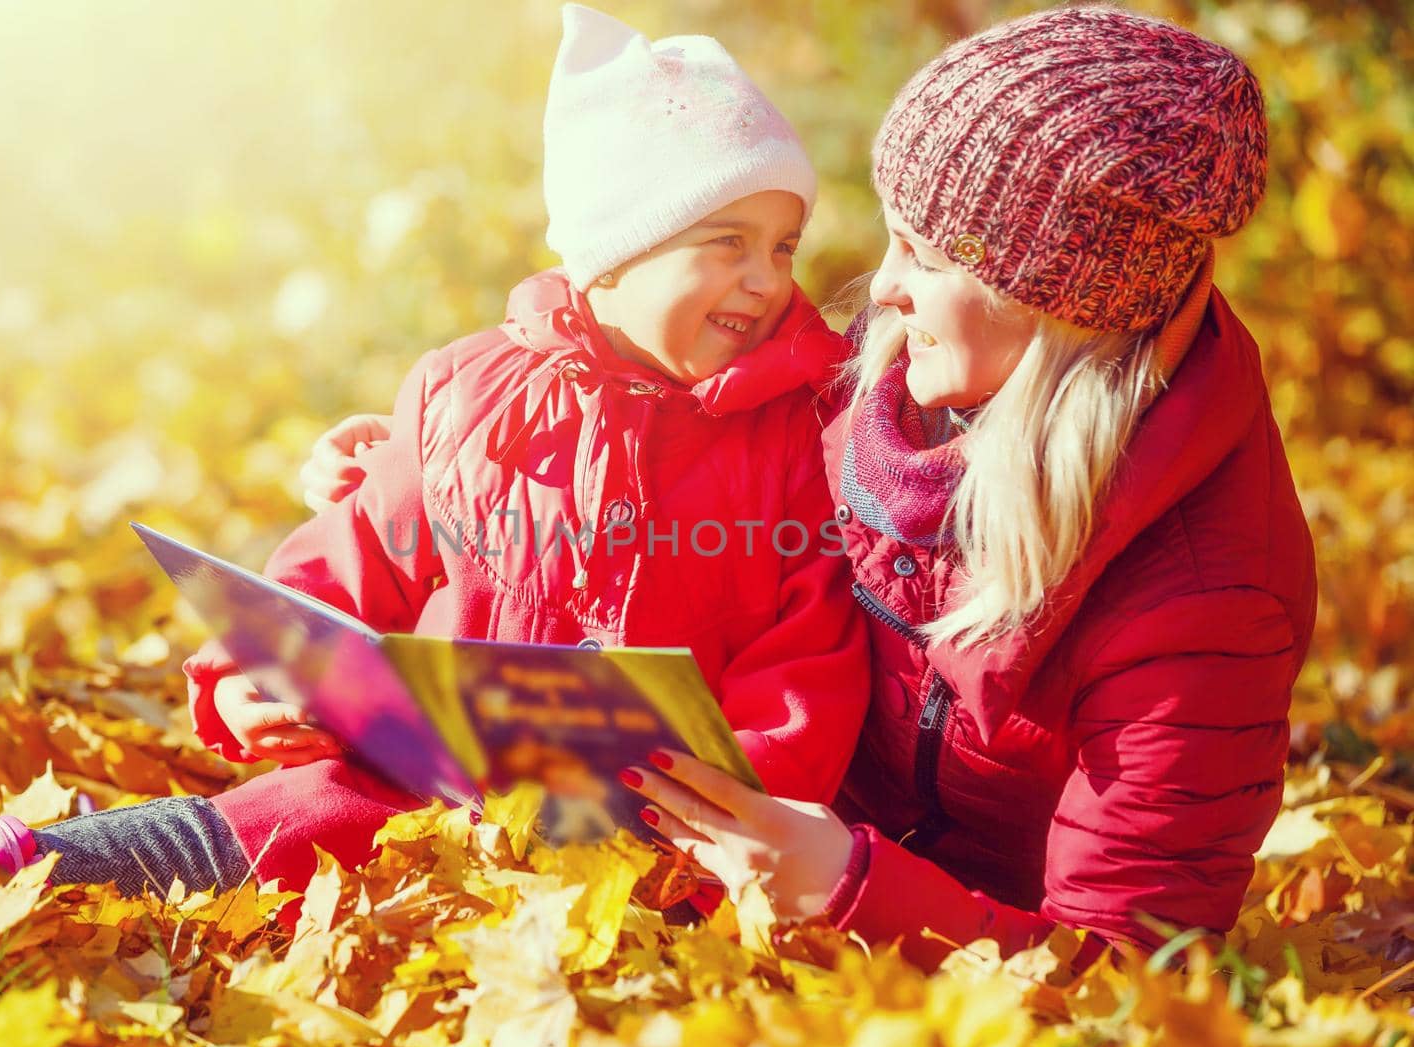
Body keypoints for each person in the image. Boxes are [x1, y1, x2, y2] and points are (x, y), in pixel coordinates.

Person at [0, 5, 870, 932]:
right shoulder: (468, 396)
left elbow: (808, 655)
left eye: (782, 246)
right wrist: (257, 682)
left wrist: (733, 811)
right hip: (433, 790)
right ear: (612, 251)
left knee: (609, 905)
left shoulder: (788, 437)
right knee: (287, 820)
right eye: (727, 239)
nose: (765, 279)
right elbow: (345, 565)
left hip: (671, 831)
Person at [309, 6, 1318, 969]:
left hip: (931, 952)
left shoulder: (1204, 600)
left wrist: (850, 887)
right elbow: (678, 447)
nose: (878, 287)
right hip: (721, 854)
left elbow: (1130, 978)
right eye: (891, 237)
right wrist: (415, 463)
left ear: (1049, 300)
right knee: (359, 797)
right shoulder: (885, 383)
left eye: (921, 256)